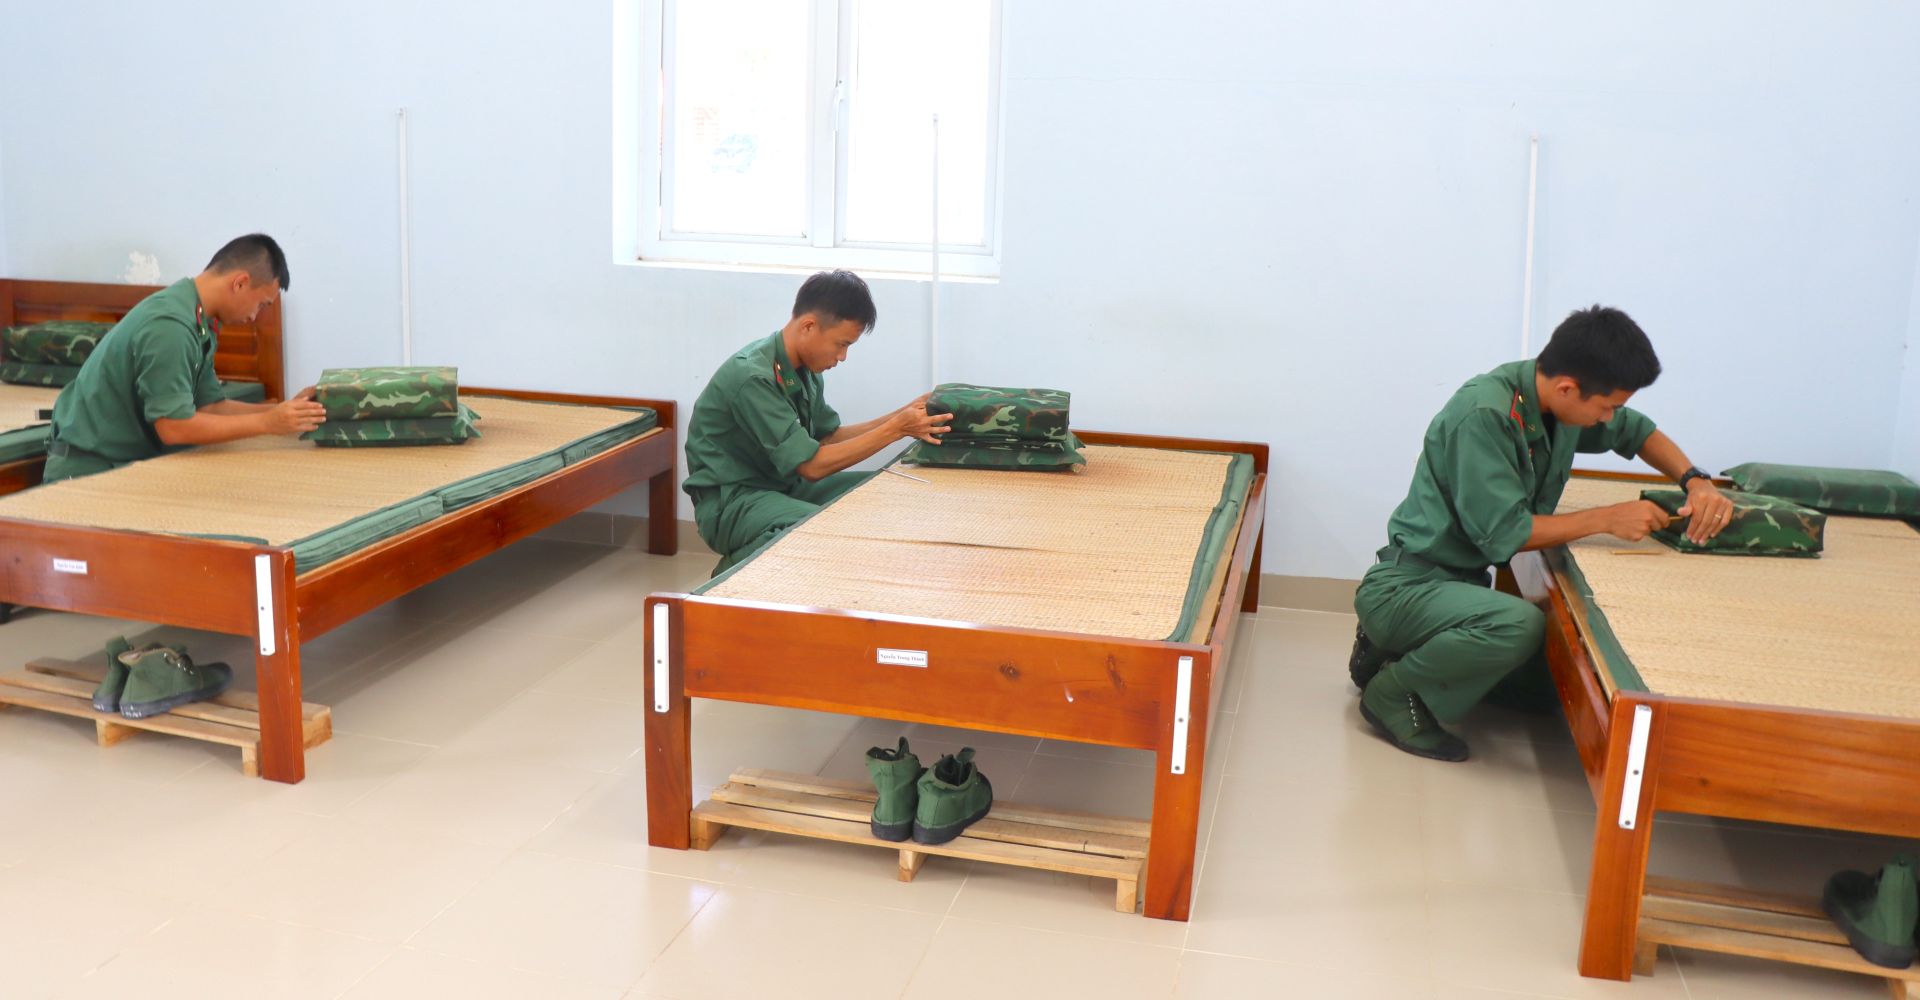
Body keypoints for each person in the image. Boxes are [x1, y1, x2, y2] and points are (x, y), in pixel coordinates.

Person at [1349, 305, 1735, 762]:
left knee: (1548, 685)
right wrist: (1607, 518)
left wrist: (1695, 480)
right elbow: (1506, 535)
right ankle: (1393, 691)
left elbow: (1637, 433)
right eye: (1607, 407)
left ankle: (1395, 650)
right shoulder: (1485, 414)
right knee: (1519, 626)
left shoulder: (1554, 403)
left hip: (1457, 586)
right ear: (1568, 387)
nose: (1609, 418)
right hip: (1407, 587)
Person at [682, 269, 949, 574]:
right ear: (809, 326)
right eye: (841, 344)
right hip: (733, 502)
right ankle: (726, 581)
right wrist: (896, 428)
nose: (843, 356)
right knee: (820, 528)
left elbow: (827, 438)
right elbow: (812, 466)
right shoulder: (753, 378)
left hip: (783, 487)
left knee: (881, 491)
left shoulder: (804, 369)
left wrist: (902, 414)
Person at [43, 233, 325, 482]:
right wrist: (267, 423)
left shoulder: (198, 318)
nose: (255, 316)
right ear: (240, 283)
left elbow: (210, 407)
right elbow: (174, 426)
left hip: (121, 465)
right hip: (88, 471)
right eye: (261, 304)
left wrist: (284, 412)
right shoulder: (171, 326)